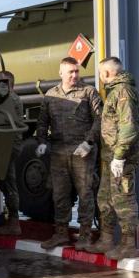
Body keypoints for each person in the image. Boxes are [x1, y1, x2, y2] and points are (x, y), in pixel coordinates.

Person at [35, 57, 102, 249]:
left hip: (82, 151)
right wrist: (41, 141)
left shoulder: (88, 92)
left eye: (77, 71)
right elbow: (42, 122)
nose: (74, 75)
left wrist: (89, 142)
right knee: (60, 194)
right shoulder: (50, 95)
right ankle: (61, 233)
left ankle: (85, 235)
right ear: (61, 73)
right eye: (70, 72)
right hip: (58, 151)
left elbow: (99, 120)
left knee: (85, 192)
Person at [91, 56, 139, 258]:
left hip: (121, 158)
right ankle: (106, 239)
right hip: (110, 157)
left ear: (106, 73)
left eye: (101, 73)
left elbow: (129, 128)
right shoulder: (114, 91)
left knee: (123, 200)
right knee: (105, 198)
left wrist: (119, 156)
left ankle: (129, 245)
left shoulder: (123, 92)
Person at [0, 72, 25, 235]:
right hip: (10, 145)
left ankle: (13, 222)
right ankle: (13, 221)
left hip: (8, 146)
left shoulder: (8, 99)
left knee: (8, 184)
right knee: (7, 183)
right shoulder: (14, 98)